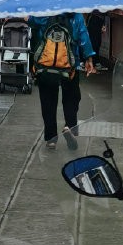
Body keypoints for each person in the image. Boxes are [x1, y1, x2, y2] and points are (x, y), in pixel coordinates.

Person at [30, 12, 96, 150]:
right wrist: (89, 58)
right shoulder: (76, 15)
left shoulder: (45, 12)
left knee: (48, 101)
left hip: (46, 66)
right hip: (70, 66)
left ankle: (51, 139)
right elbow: (84, 37)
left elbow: (31, 21)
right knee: (72, 98)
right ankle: (69, 126)